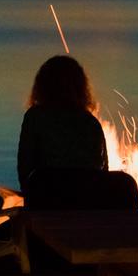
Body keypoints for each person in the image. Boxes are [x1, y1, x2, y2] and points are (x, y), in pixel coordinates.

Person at [16, 55, 108, 192]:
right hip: (87, 205)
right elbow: (104, 174)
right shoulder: (91, 123)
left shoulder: (35, 118)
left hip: (45, 205)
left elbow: (25, 171)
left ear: (42, 85)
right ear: (81, 87)